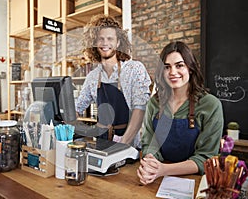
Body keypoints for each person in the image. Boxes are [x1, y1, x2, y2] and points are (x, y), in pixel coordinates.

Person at [137, 41, 224, 184]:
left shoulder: (210, 105)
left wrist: (163, 170)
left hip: (195, 181)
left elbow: (205, 157)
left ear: (190, 68)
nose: (172, 72)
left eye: (179, 65)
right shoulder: (154, 103)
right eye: (167, 67)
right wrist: (151, 163)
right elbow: (150, 143)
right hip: (157, 178)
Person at [75, 14, 151, 147]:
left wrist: (122, 145)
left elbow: (140, 110)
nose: (105, 43)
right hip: (102, 141)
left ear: (118, 43)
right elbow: (78, 107)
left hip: (129, 142)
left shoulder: (135, 69)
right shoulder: (92, 77)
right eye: (101, 39)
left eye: (110, 39)